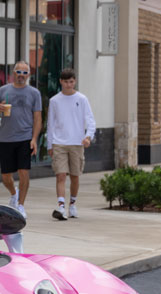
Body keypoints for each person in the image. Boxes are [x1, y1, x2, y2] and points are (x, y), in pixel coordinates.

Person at [0, 61, 41, 254]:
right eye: (18, 72)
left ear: (29, 74)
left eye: (25, 72)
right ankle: (14, 194)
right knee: (6, 176)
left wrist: (34, 139)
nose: (21, 75)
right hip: (6, 138)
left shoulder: (34, 93)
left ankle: (20, 205)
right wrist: (0, 109)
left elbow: (37, 117)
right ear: (13, 73)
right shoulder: (4, 90)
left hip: (24, 138)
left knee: (24, 172)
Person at [46, 68, 96, 220]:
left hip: (77, 142)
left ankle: (72, 204)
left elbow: (90, 120)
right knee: (60, 175)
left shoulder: (82, 99)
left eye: (71, 81)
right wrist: (50, 145)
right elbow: (50, 124)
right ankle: (61, 207)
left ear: (75, 81)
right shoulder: (54, 100)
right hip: (59, 143)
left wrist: (88, 137)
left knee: (75, 176)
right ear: (61, 82)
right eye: (66, 82)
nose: (69, 84)